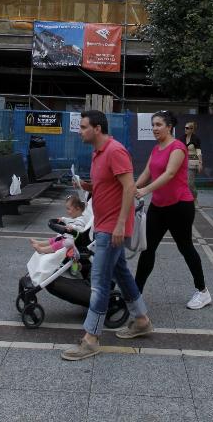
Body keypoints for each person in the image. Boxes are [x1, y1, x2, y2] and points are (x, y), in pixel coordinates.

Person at [61, 110, 152, 361]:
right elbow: (107, 184)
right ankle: (142, 320)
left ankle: (91, 339)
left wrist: (121, 225)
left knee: (99, 283)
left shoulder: (115, 151)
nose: (80, 131)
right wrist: (86, 186)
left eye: (83, 127)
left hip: (112, 227)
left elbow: (129, 188)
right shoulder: (98, 153)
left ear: (97, 129)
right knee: (120, 272)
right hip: (103, 224)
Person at [134, 110, 211, 310]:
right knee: (147, 249)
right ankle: (135, 293)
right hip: (158, 207)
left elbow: (169, 174)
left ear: (169, 127)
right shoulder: (156, 148)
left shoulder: (178, 147)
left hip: (180, 206)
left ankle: (203, 292)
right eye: (153, 125)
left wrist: (144, 191)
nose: (154, 128)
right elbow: (147, 172)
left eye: (158, 124)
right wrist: (133, 188)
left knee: (185, 247)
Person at [183, 121, 203, 200]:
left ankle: (194, 198)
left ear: (192, 129)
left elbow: (198, 152)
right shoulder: (182, 138)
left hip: (193, 163)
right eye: (185, 127)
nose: (185, 129)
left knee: (189, 183)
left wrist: (200, 163)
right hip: (183, 163)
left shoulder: (196, 139)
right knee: (182, 183)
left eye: (187, 128)